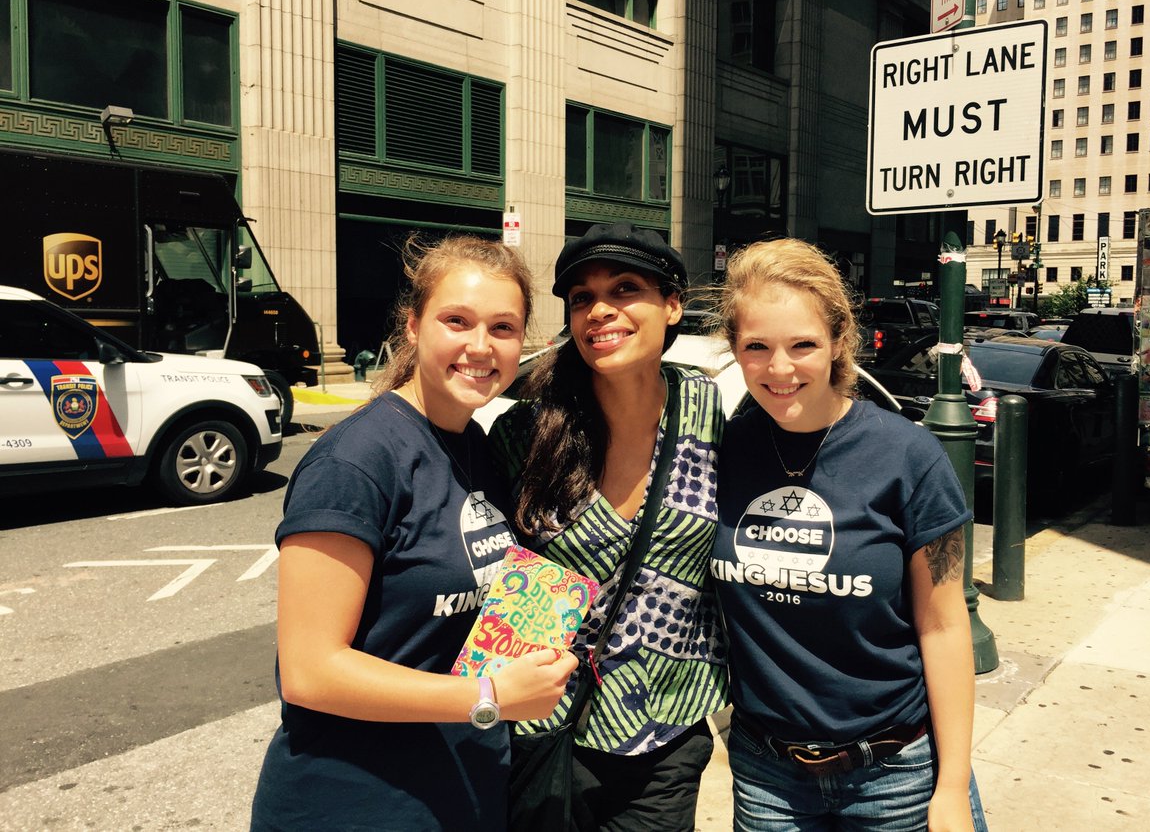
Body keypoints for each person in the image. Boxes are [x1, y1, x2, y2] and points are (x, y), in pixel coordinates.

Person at [250, 236, 578, 831]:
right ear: (413, 326)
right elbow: (310, 671)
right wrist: (490, 698)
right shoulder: (356, 462)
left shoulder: (477, 447)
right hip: (355, 804)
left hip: (460, 794)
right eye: (458, 320)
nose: (480, 346)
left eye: (503, 328)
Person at [711, 238, 987, 832]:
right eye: (756, 347)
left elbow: (943, 627)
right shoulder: (723, 452)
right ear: (734, 349)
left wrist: (952, 786)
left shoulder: (908, 456)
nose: (780, 368)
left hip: (895, 775)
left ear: (838, 343)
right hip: (768, 779)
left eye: (802, 345)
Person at [488, 222, 728, 831]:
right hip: (544, 727)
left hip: (667, 729)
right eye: (581, 298)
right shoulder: (527, 433)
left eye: (625, 289)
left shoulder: (710, 410)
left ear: (672, 305)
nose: (600, 311)